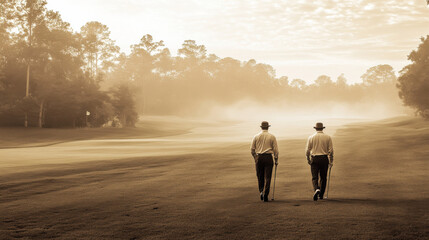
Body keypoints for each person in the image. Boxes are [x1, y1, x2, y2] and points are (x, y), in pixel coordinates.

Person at [251, 121, 279, 202]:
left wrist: (255, 158)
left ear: (261, 127)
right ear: (268, 127)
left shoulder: (256, 136)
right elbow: (275, 150)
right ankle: (266, 194)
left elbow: (252, 149)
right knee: (268, 177)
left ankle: (261, 191)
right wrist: (276, 159)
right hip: (268, 158)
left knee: (260, 176)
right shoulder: (272, 137)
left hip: (259, 157)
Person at [306, 122, 334, 201]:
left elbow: (307, 150)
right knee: (323, 177)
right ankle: (321, 195)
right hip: (324, 158)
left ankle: (316, 189)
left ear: (315, 128)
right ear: (322, 128)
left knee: (315, 177)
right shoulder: (328, 137)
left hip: (314, 158)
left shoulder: (311, 137)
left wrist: (308, 159)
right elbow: (331, 151)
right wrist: (331, 161)